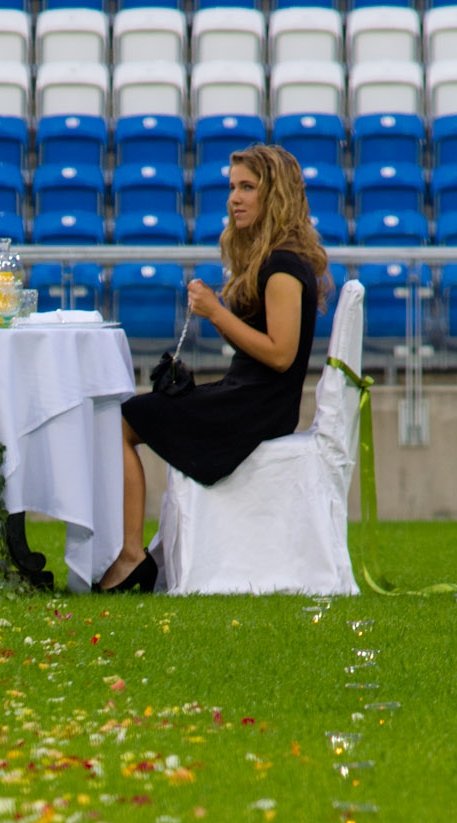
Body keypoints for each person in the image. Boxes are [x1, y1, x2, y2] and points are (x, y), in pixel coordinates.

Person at [103, 143, 330, 593]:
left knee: (125, 422)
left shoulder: (283, 267)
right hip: (245, 397)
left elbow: (281, 355)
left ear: (276, 195)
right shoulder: (271, 259)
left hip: (255, 409)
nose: (235, 198)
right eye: (232, 187)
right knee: (135, 414)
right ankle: (133, 554)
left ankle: (132, 557)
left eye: (248, 187)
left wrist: (215, 311)